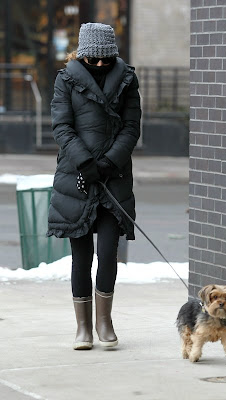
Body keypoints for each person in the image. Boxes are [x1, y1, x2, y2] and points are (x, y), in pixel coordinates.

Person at [47, 22, 141, 350]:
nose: (99, 65)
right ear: (81, 54)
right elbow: (61, 126)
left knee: (108, 253)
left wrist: (107, 163)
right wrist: (86, 163)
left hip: (113, 178)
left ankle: (105, 320)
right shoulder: (66, 80)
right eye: (93, 59)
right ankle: (83, 328)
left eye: (105, 60)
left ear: (113, 56)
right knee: (81, 256)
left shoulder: (127, 79)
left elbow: (131, 127)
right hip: (78, 178)